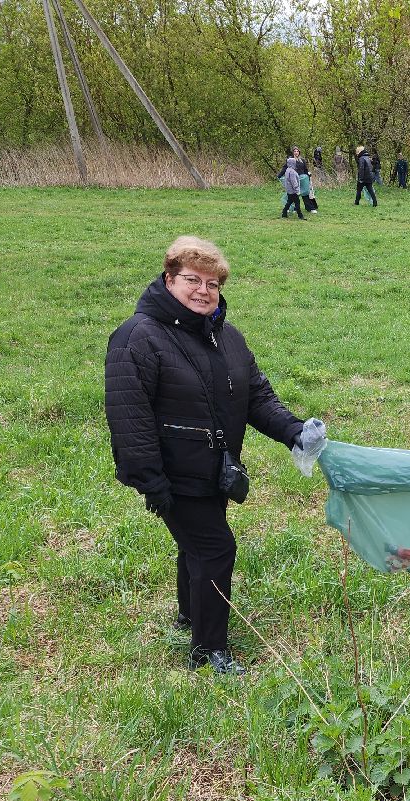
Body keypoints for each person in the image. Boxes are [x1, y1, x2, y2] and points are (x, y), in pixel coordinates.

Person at [105, 236, 319, 675]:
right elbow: (129, 416)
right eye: (191, 280)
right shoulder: (137, 338)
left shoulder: (226, 337)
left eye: (212, 283)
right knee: (216, 548)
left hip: (214, 470)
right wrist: (150, 479)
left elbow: (256, 396)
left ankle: (190, 615)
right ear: (169, 280)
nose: (203, 291)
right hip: (174, 473)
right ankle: (208, 651)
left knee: (197, 546)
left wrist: (295, 432)